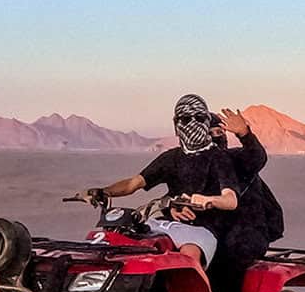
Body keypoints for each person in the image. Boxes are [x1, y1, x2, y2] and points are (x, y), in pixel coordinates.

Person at [79, 94, 239, 270]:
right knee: (120, 243)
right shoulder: (170, 158)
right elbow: (134, 183)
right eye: (185, 119)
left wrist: (208, 200)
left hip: (204, 228)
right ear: (176, 124)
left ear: (207, 121)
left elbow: (230, 200)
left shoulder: (220, 158)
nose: (193, 124)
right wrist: (104, 191)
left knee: (188, 258)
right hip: (166, 222)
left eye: (199, 118)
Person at [207, 108, 285, 292]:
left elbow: (256, 156)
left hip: (251, 227)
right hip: (218, 228)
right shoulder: (193, 164)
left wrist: (244, 133)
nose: (214, 137)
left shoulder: (236, 159)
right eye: (209, 133)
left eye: (218, 132)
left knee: (228, 253)